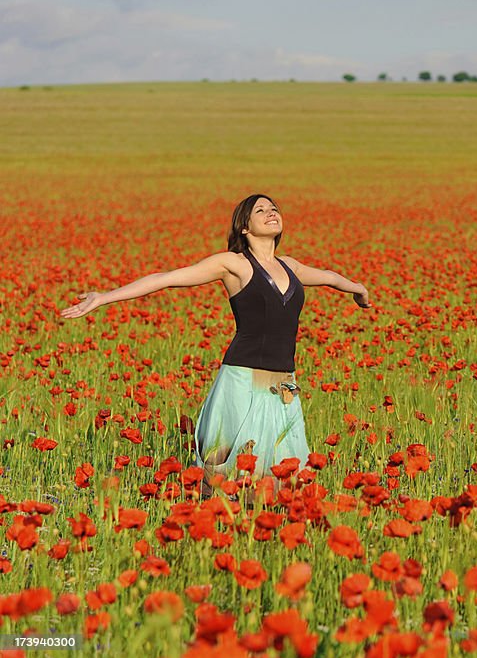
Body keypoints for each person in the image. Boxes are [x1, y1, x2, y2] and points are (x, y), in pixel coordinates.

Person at [60, 193, 370, 497]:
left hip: (284, 382)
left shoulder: (291, 266)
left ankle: (258, 532)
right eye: (260, 210)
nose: (271, 212)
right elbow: (167, 278)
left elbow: (330, 277)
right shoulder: (233, 264)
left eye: (274, 208)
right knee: (225, 467)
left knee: (280, 471)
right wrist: (103, 297)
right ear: (244, 227)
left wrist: (359, 290)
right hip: (243, 377)